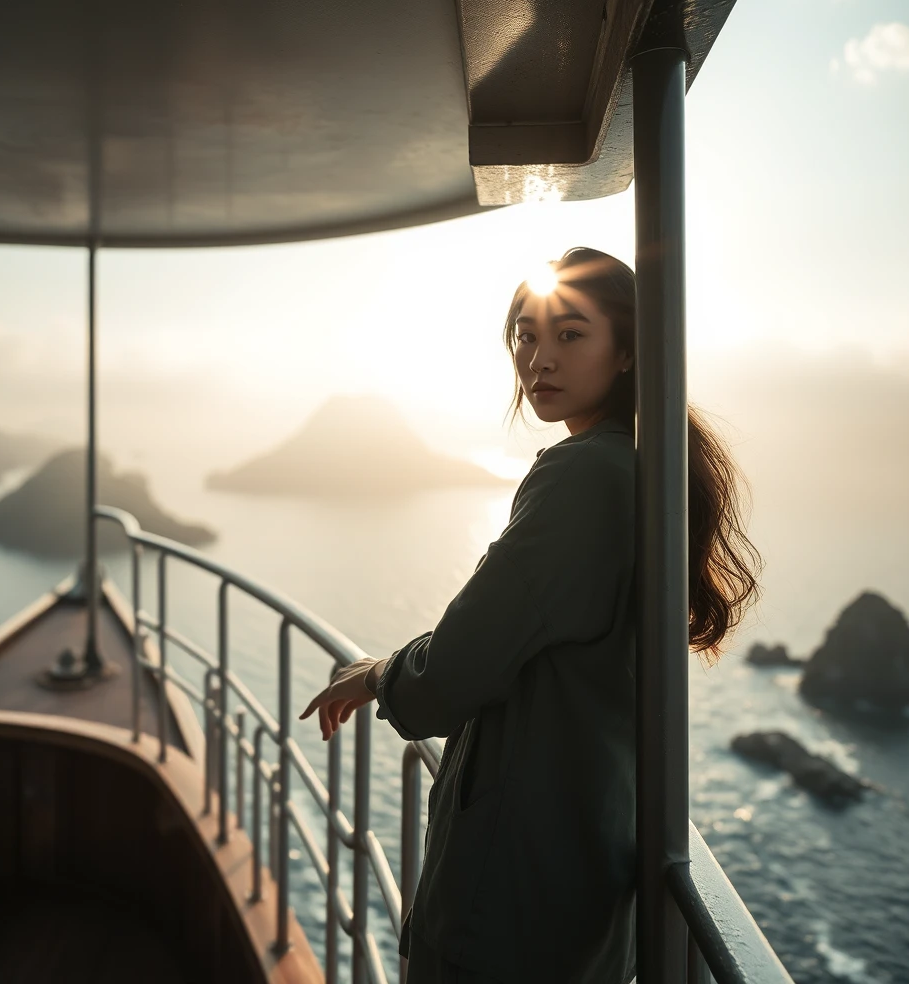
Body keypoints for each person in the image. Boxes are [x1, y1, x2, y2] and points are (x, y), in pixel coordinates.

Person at [299, 247, 761, 983]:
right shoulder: (636, 466)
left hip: (511, 903)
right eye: (525, 334)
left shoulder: (580, 476)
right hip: (580, 880)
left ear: (628, 351)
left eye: (570, 335)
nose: (538, 358)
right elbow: (516, 630)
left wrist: (385, 676)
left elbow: (449, 678)